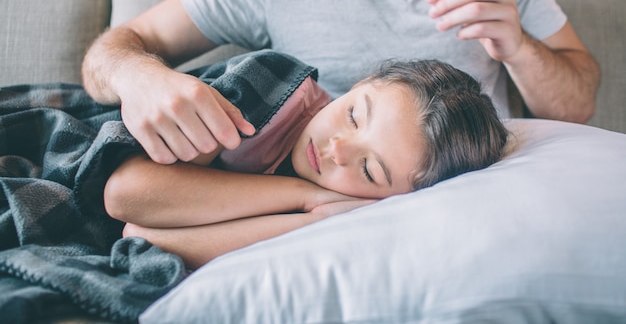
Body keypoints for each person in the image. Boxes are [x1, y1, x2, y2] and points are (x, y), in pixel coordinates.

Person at [82, 0, 599, 167]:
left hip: (469, 191)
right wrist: (140, 77)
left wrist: (520, 48)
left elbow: (576, 106)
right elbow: (119, 46)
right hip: (333, 210)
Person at [104, 57, 509, 269]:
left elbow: (143, 236)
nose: (337, 149)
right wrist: (303, 195)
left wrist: (316, 221)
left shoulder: (350, 218)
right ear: (361, 83)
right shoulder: (273, 86)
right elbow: (124, 195)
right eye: (354, 114)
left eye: (370, 170)